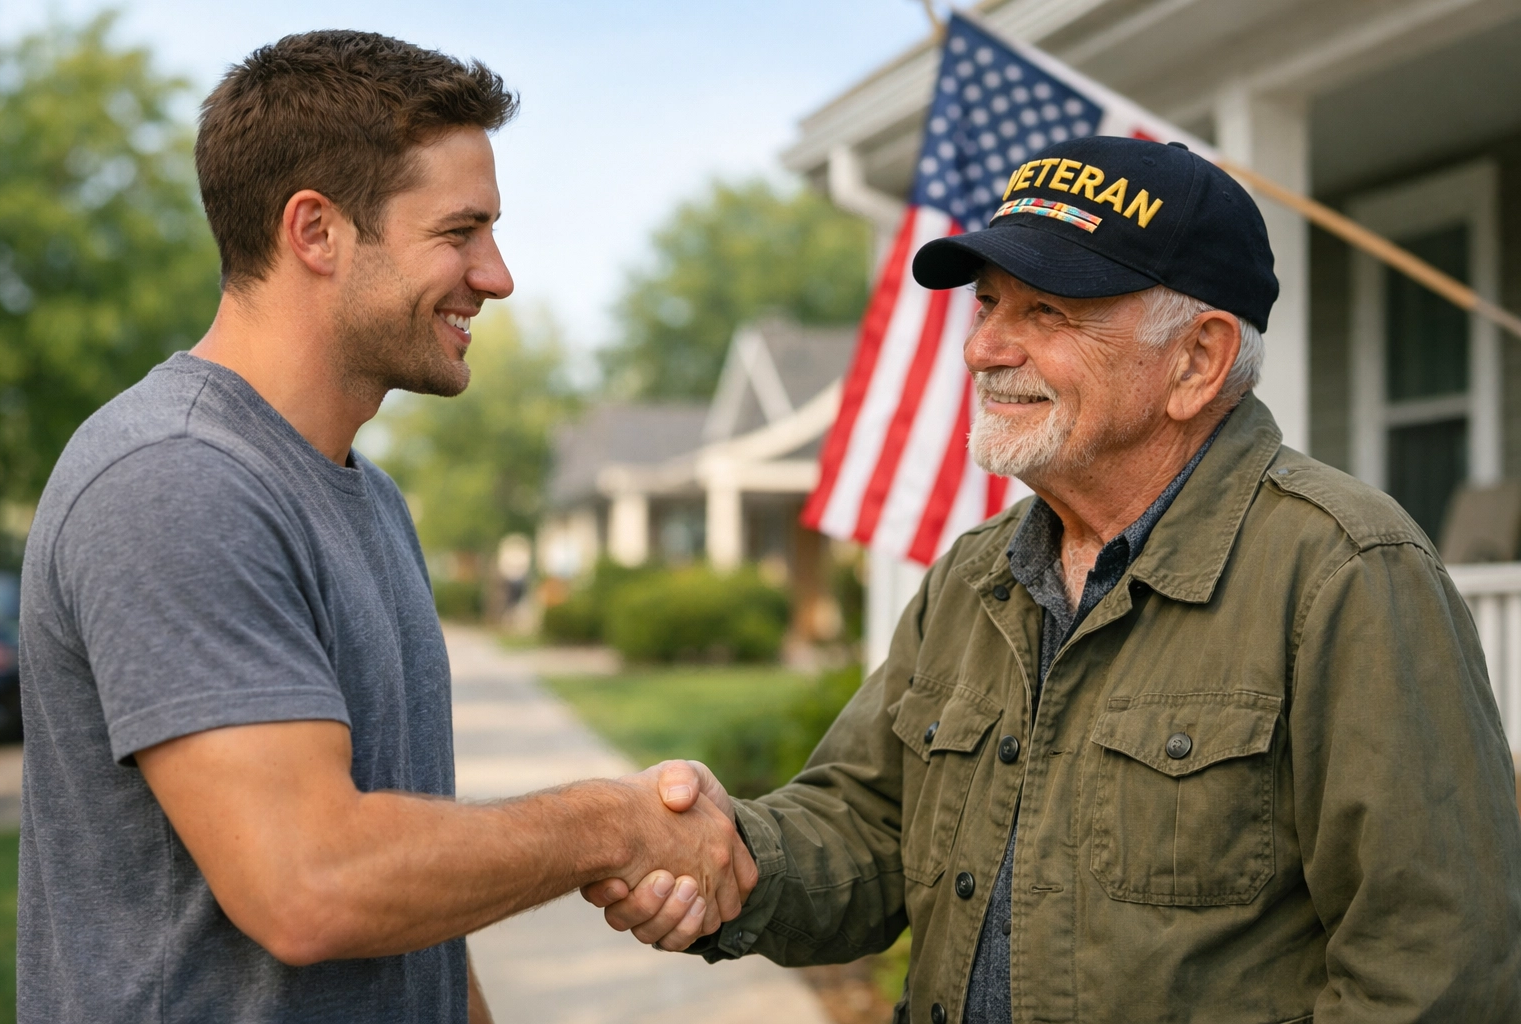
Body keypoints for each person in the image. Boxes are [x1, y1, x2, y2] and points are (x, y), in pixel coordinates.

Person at [589, 136, 1521, 1022]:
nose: (984, 348)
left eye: (1047, 313)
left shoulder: (1345, 573)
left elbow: (1434, 970)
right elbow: (871, 827)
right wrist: (725, 855)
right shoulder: (976, 575)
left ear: (1198, 359)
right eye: (990, 305)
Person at [15, 31, 751, 1023]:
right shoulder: (175, 481)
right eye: (461, 231)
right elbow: (310, 882)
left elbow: (404, 893)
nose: (497, 276)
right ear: (315, 232)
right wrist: (611, 823)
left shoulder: (370, 498)